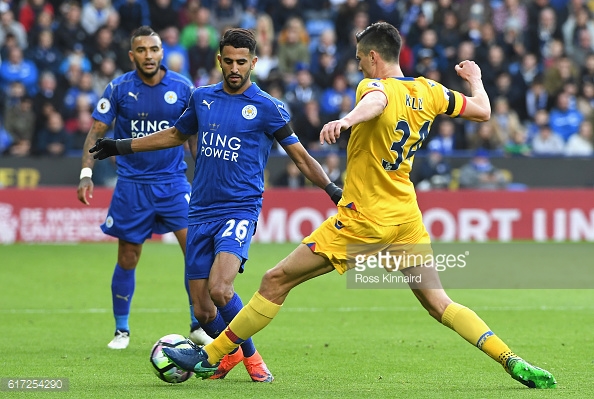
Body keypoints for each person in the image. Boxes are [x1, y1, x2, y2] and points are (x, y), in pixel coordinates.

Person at [160, 22, 557, 389]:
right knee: (439, 303)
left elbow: (378, 101)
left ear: (372, 57)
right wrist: (476, 79)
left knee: (275, 281)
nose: (359, 66)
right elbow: (483, 110)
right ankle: (509, 358)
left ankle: (209, 356)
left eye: (359, 59)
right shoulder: (431, 91)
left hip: (364, 219)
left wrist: (347, 120)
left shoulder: (372, 86)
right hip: (406, 217)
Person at [89, 28, 341, 382]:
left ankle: (253, 360)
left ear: (253, 62)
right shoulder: (202, 98)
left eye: (242, 62)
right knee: (205, 311)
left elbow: (300, 157)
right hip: (201, 209)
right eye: (229, 61)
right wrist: (121, 146)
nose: (234, 68)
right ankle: (231, 354)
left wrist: (332, 190)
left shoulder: (269, 107)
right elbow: (176, 135)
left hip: (240, 209)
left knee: (221, 289)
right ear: (219, 60)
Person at [76, 26, 211, 350]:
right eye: (142, 50)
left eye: (154, 49)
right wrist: (85, 173)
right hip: (132, 185)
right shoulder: (119, 88)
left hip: (173, 182)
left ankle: (197, 324)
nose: (148, 56)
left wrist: (206, 174)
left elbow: (194, 135)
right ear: (132, 55)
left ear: (162, 52)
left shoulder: (182, 87)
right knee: (128, 256)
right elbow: (96, 132)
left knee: (194, 251)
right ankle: (121, 330)